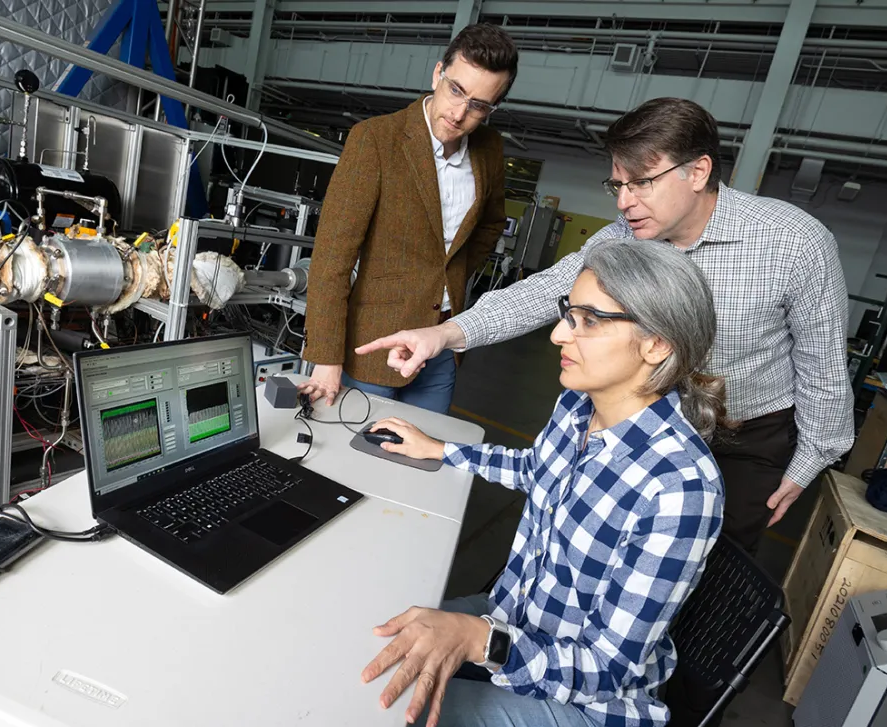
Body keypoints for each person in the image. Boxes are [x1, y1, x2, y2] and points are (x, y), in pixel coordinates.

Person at [357, 97, 854, 554]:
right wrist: (443, 333)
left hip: (741, 440)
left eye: (642, 183)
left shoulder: (794, 243)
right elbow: (544, 291)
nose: (624, 201)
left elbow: (824, 365)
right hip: (637, 427)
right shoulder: (624, 236)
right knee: (601, 552)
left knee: (711, 568)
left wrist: (806, 464)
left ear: (699, 171)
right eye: (618, 184)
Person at [359, 239, 725, 727]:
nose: (558, 336)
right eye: (567, 315)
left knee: (374, 713)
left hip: (589, 702)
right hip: (515, 619)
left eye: (588, 321)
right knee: (372, 637)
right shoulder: (578, 407)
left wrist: (478, 639)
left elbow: (609, 667)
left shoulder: (680, 488)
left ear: (658, 344)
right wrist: (440, 449)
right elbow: (538, 471)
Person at [297, 23, 518, 415]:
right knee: (356, 468)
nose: (460, 113)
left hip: (441, 346)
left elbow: (490, 225)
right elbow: (333, 257)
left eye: (479, 106)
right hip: (373, 346)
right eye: (456, 90)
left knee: (420, 461)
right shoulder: (375, 140)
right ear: (438, 74)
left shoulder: (489, 150)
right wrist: (327, 358)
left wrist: (450, 274)